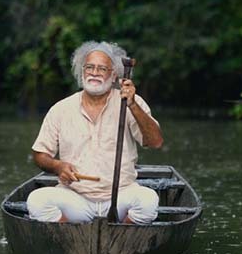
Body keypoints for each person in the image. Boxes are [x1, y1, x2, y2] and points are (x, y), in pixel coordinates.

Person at [27, 41, 163, 224]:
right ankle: (73, 239)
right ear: (82, 71)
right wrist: (57, 166)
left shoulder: (130, 102)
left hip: (121, 195)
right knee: (36, 201)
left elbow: (155, 142)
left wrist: (132, 105)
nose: (94, 73)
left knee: (148, 201)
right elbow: (39, 155)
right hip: (75, 196)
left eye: (102, 68)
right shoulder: (61, 109)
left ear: (114, 74)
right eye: (89, 67)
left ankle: (119, 238)